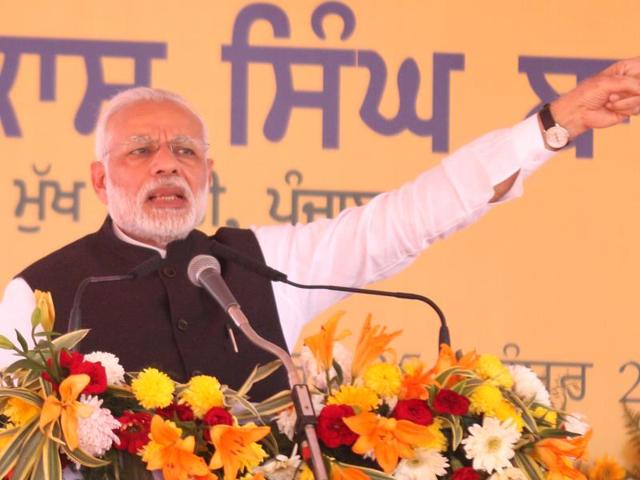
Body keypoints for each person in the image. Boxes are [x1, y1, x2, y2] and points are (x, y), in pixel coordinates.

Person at [2, 58, 640, 400]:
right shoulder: (37, 296)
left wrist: (548, 128)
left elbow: (407, 218)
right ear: (99, 178)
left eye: (185, 151)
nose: (167, 161)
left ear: (208, 172)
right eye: (140, 149)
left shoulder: (262, 262)